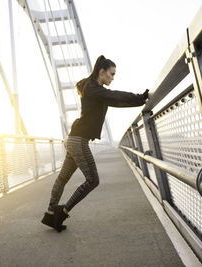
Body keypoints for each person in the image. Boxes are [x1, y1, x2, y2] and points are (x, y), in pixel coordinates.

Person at [41, 55, 149, 232]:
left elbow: (116, 100)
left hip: (72, 138)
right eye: (111, 74)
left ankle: (51, 214)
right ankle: (62, 212)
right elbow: (115, 96)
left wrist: (138, 100)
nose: (113, 78)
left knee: (62, 178)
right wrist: (140, 98)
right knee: (92, 180)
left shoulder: (94, 89)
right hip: (78, 140)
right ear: (102, 72)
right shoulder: (93, 89)